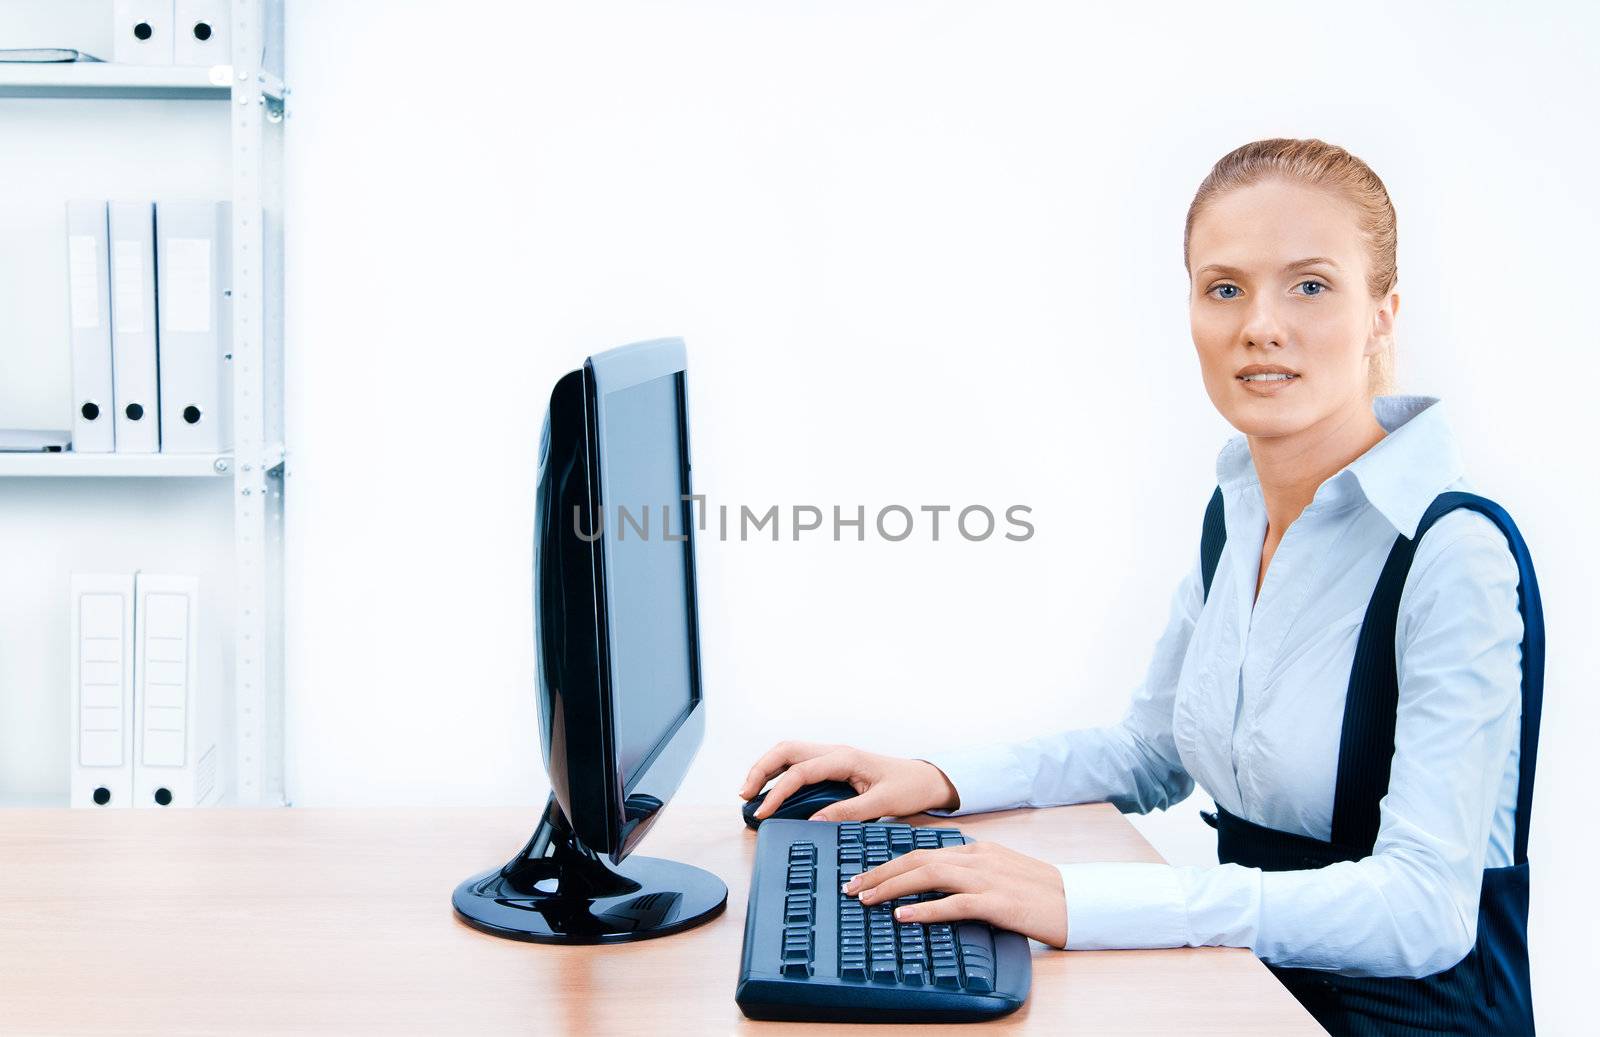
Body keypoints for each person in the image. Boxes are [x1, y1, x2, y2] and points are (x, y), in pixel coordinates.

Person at [738, 139, 1543, 1035]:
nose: (1260, 326)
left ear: (1382, 314)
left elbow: (1422, 909)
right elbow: (1149, 752)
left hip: (1402, 1019)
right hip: (1249, 988)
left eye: (1310, 286)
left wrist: (1077, 901)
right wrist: (934, 779)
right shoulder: (1236, 513)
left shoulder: (1452, 551)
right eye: (1225, 288)